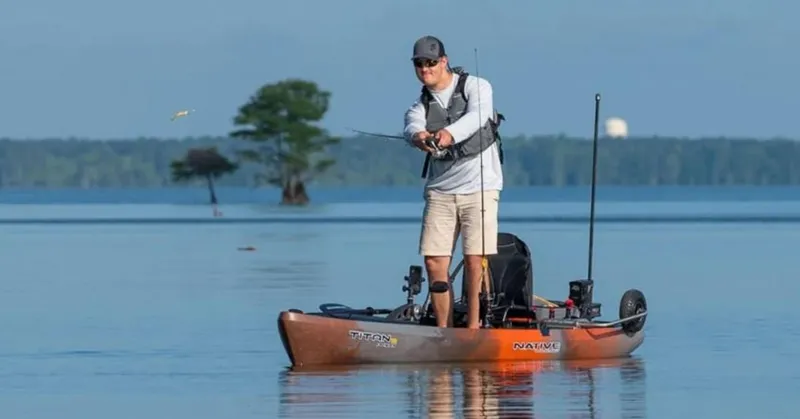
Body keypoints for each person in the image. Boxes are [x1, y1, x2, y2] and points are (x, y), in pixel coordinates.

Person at [403, 35, 504, 329]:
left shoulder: (476, 86)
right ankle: (444, 331)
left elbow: (478, 116)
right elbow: (411, 126)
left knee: (475, 260)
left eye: (431, 62)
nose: (425, 69)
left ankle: (474, 329)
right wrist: (419, 137)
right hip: (441, 192)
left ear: (444, 61)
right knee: (434, 261)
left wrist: (448, 134)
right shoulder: (419, 105)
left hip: (480, 188)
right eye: (419, 64)